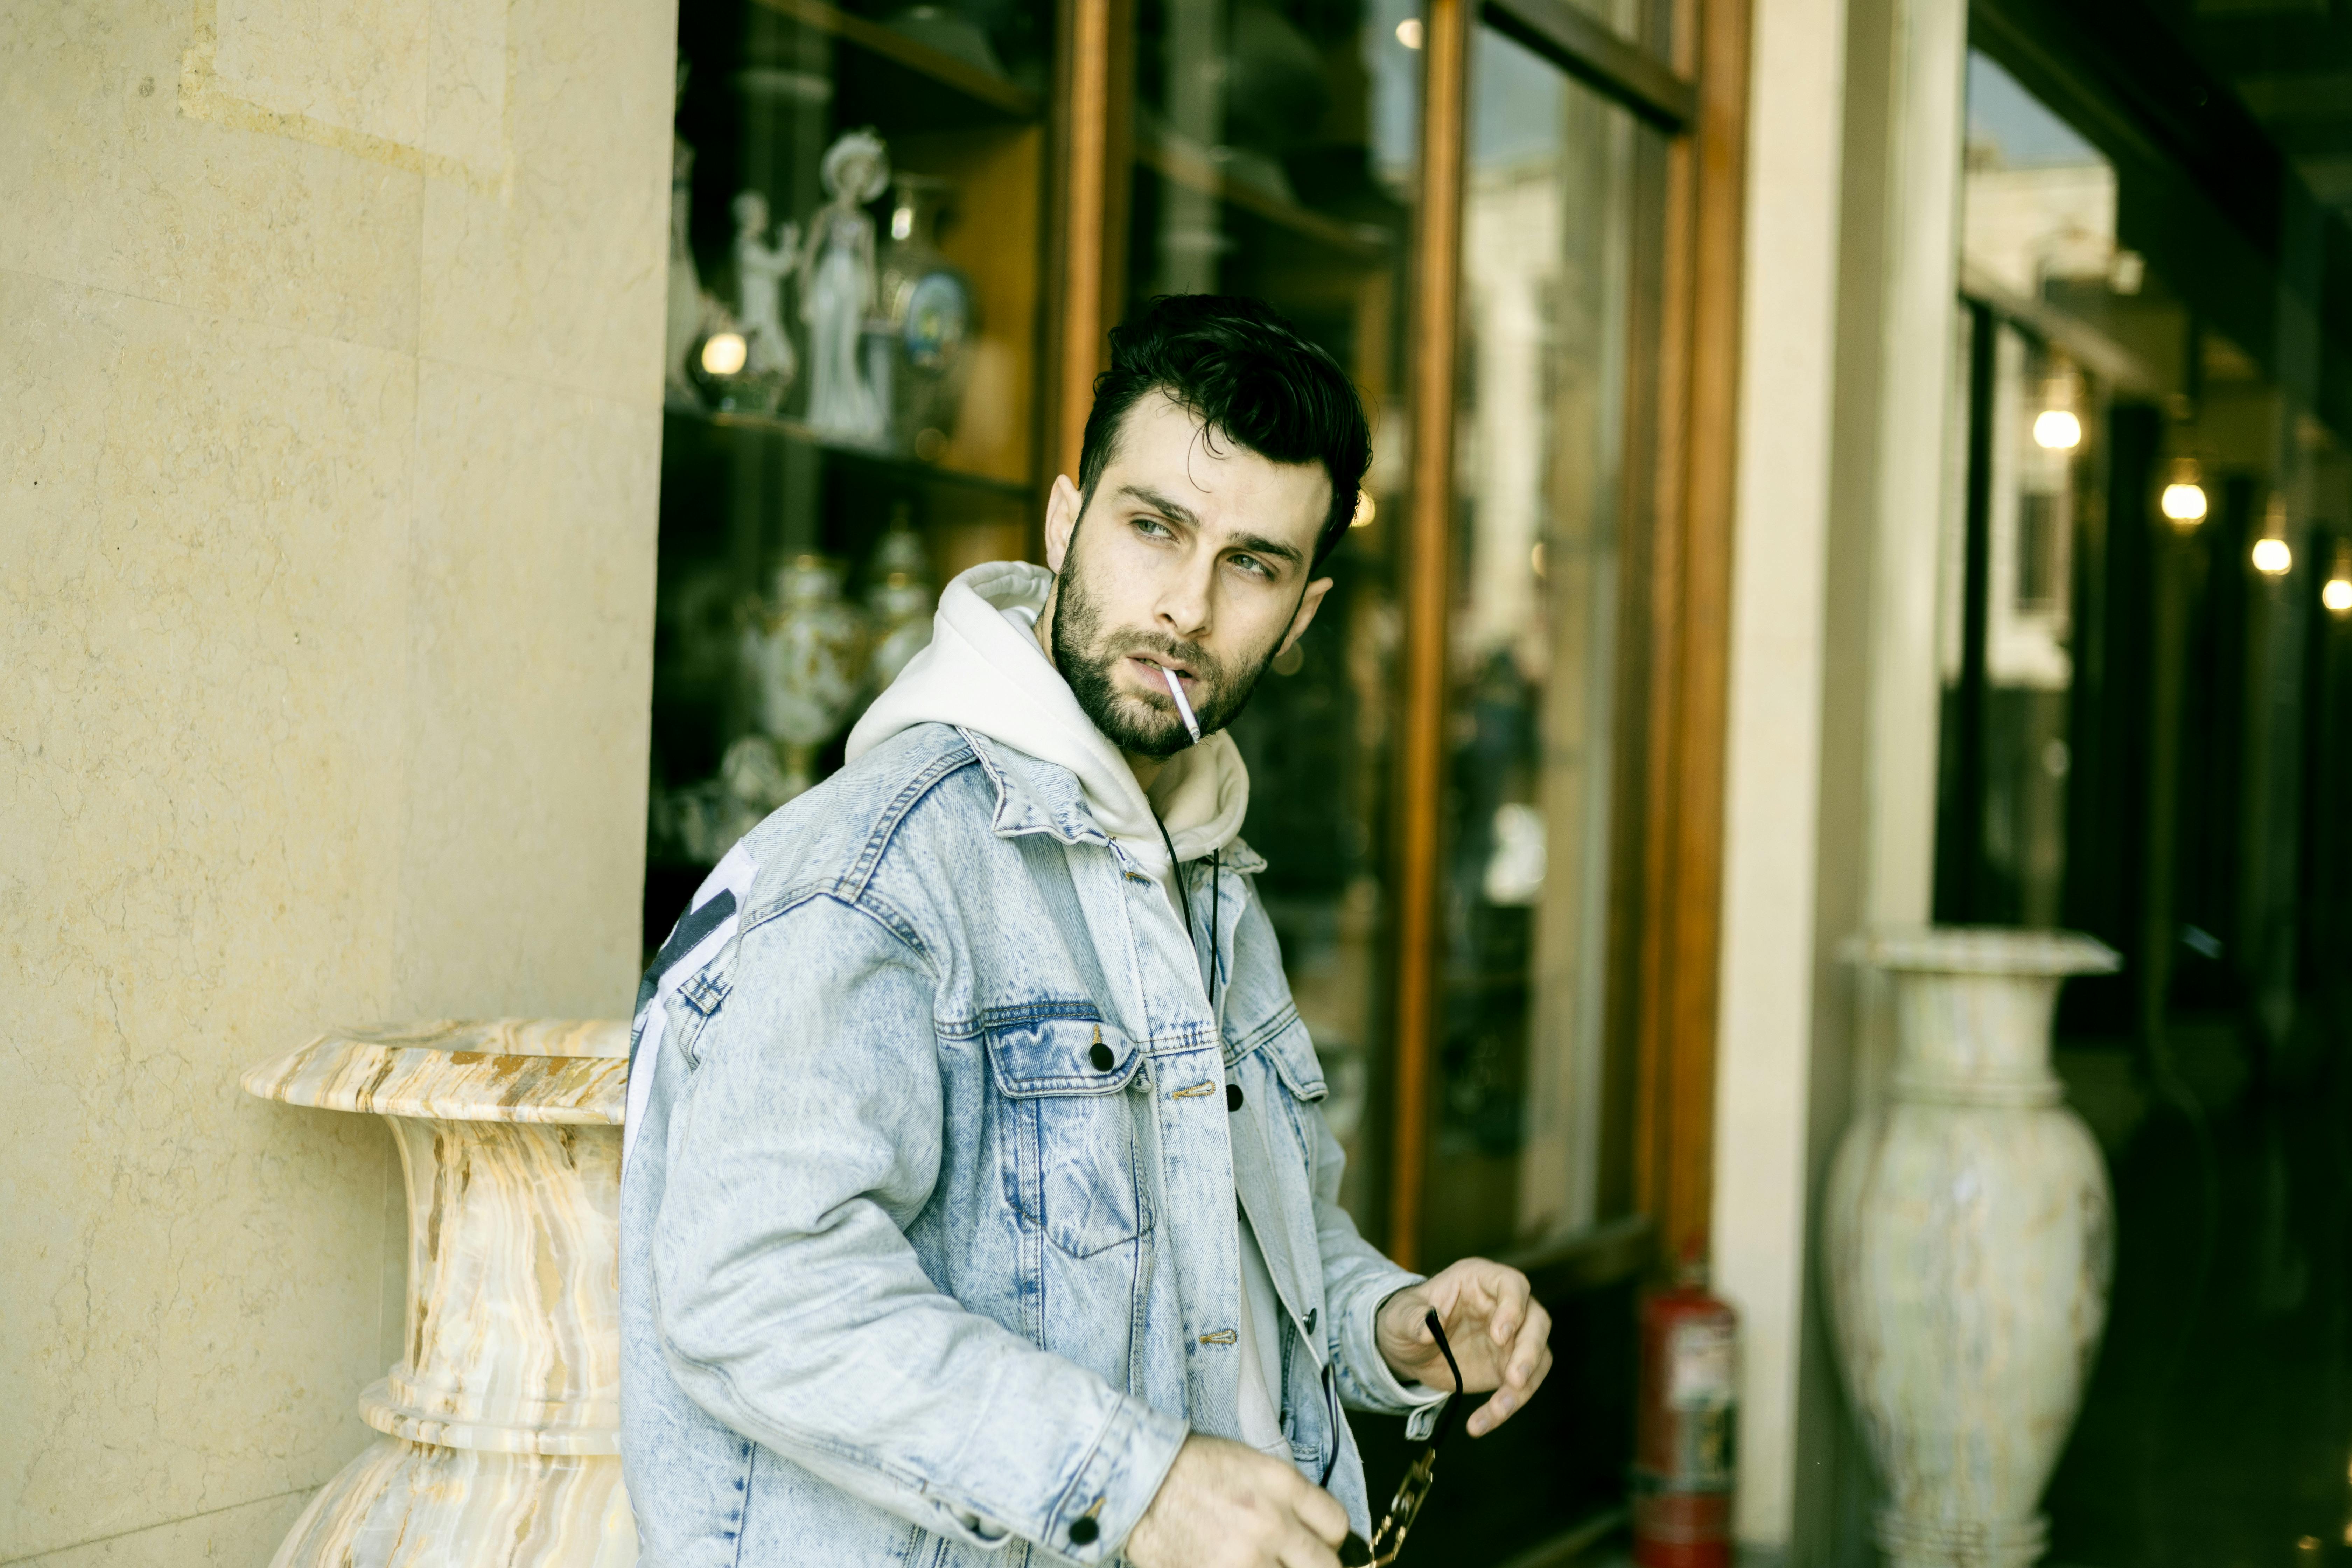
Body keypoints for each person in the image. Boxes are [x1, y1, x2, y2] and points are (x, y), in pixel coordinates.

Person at [620, 294, 1555, 1568]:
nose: (1184, 605)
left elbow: (1236, 1234)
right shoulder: (871, 871)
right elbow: (756, 1288)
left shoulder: (1208, 863)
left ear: (1303, 621)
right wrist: (1142, 1484)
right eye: (1153, 527)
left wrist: (1387, 1321)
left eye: (1252, 566)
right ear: (1066, 524)